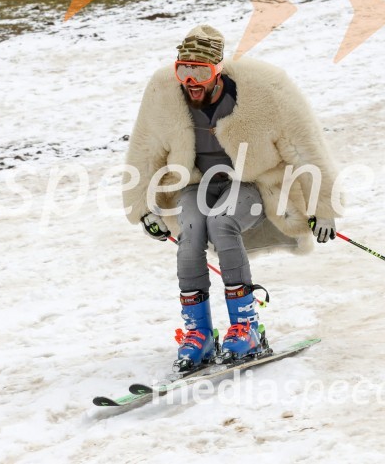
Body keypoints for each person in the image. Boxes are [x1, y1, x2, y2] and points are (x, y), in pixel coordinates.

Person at [122, 25, 340, 372]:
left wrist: (323, 208)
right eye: (183, 70)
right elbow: (144, 149)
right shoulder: (163, 91)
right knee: (191, 231)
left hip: (250, 182)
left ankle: (247, 327)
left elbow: (306, 149)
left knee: (222, 224)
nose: (190, 81)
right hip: (195, 184)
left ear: (218, 69)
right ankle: (200, 334)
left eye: (201, 72)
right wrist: (141, 206)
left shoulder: (266, 89)